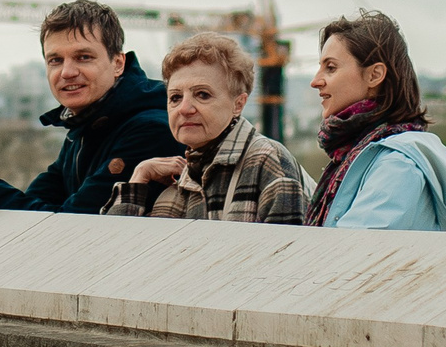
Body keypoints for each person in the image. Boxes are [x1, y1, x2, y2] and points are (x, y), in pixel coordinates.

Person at [0, 0, 181, 212]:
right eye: (55, 60)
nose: (67, 72)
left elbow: (69, 224)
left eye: (83, 57)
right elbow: (32, 208)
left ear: (118, 63)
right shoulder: (86, 126)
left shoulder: (150, 129)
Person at [101, 31, 308, 223]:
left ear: (239, 104)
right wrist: (138, 179)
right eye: (175, 97)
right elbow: (115, 253)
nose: (184, 108)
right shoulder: (177, 184)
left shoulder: (268, 162)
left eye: (202, 95)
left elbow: (287, 256)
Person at [306, 10, 446, 230]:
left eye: (330, 68)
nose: (315, 81)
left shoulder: (398, 165)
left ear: (374, 75)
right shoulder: (358, 154)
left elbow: (353, 253)